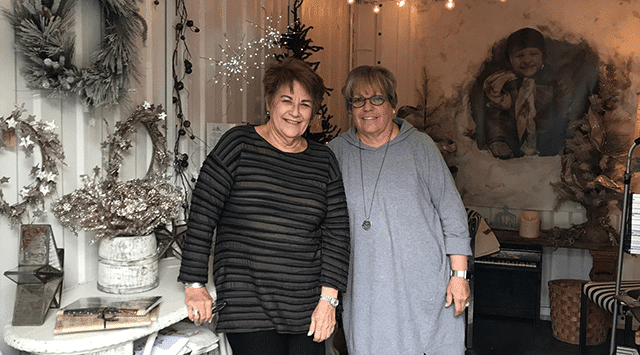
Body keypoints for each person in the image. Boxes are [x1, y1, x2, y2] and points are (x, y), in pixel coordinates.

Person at [178, 57, 350, 355]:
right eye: (287, 100)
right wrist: (194, 283)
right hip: (248, 301)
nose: (295, 112)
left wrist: (328, 301)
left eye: (305, 104)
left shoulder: (324, 161)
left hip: (306, 303)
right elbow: (203, 212)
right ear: (270, 101)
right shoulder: (238, 145)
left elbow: (337, 234)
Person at [328, 65, 472, 355]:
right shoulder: (336, 152)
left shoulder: (420, 146)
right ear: (350, 107)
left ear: (393, 104)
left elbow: (452, 212)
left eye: (377, 99)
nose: (368, 108)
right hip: (366, 286)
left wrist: (459, 276)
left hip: (425, 285)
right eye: (358, 100)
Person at [481, 27, 574, 159]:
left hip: (550, 143)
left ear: (543, 56)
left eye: (533, 54)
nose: (527, 60)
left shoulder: (556, 81)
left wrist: (569, 140)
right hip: (515, 146)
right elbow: (496, 115)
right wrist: (498, 139)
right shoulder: (503, 84)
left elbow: (568, 111)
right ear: (510, 59)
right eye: (519, 56)